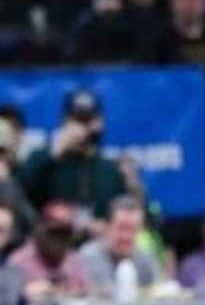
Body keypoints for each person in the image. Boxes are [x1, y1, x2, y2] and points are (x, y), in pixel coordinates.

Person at [20, 89, 128, 223]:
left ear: (99, 122)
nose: (82, 127)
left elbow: (125, 213)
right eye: (77, 119)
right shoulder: (46, 159)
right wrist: (53, 152)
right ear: (65, 121)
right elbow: (21, 192)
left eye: (87, 120)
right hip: (54, 239)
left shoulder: (110, 170)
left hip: (99, 241)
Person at [76, 195, 165, 299]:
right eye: (122, 227)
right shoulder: (90, 256)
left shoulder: (145, 258)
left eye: (133, 229)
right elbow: (104, 296)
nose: (126, 236)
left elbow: (160, 290)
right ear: (108, 226)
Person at [7, 200, 91, 305]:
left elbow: (86, 297)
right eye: (53, 234)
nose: (58, 241)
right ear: (40, 229)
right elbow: (5, 304)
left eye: (64, 236)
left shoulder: (74, 261)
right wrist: (24, 295)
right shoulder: (18, 261)